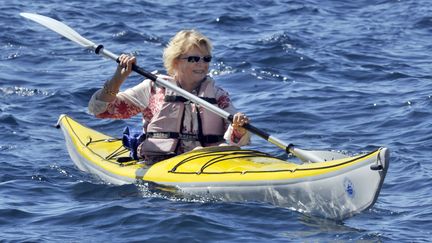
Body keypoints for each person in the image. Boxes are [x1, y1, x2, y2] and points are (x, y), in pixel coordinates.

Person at [88, 29, 250, 163]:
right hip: (162, 162)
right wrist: (118, 78)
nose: (202, 64)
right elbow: (101, 110)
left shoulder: (218, 95)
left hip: (210, 160)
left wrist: (239, 128)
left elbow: (237, 139)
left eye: (206, 59)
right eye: (194, 59)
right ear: (175, 61)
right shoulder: (153, 89)